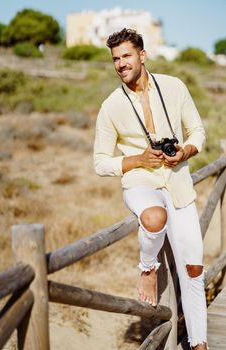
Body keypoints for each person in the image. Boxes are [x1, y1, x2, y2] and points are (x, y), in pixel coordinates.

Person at [93, 28, 207, 350]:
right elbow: (100, 163)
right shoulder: (111, 106)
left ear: (142, 55)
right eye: (115, 59)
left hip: (179, 182)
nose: (120, 64)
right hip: (140, 182)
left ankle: (199, 343)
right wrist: (138, 159)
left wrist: (185, 151)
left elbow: (197, 132)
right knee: (154, 218)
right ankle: (147, 268)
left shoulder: (173, 86)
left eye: (126, 56)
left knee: (194, 268)